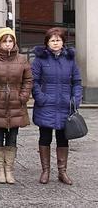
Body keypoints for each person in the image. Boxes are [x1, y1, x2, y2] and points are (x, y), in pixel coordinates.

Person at [0, 27, 33, 184]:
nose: (8, 44)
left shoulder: (22, 60)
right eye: (5, 41)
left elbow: (28, 80)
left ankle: (9, 169)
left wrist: (23, 97)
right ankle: (0, 170)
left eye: (11, 41)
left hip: (16, 103)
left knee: (12, 137)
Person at [31, 27, 82, 185]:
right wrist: (41, 98)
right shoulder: (40, 60)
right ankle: (45, 171)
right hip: (45, 105)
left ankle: (62, 171)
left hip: (65, 105)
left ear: (63, 42)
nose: (55, 43)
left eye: (58, 40)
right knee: (45, 137)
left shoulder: (70, 60)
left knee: (63, 138)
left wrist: (75, 100)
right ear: (47, 43)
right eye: (52, 40)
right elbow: (34, 82)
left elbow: (77, 82)